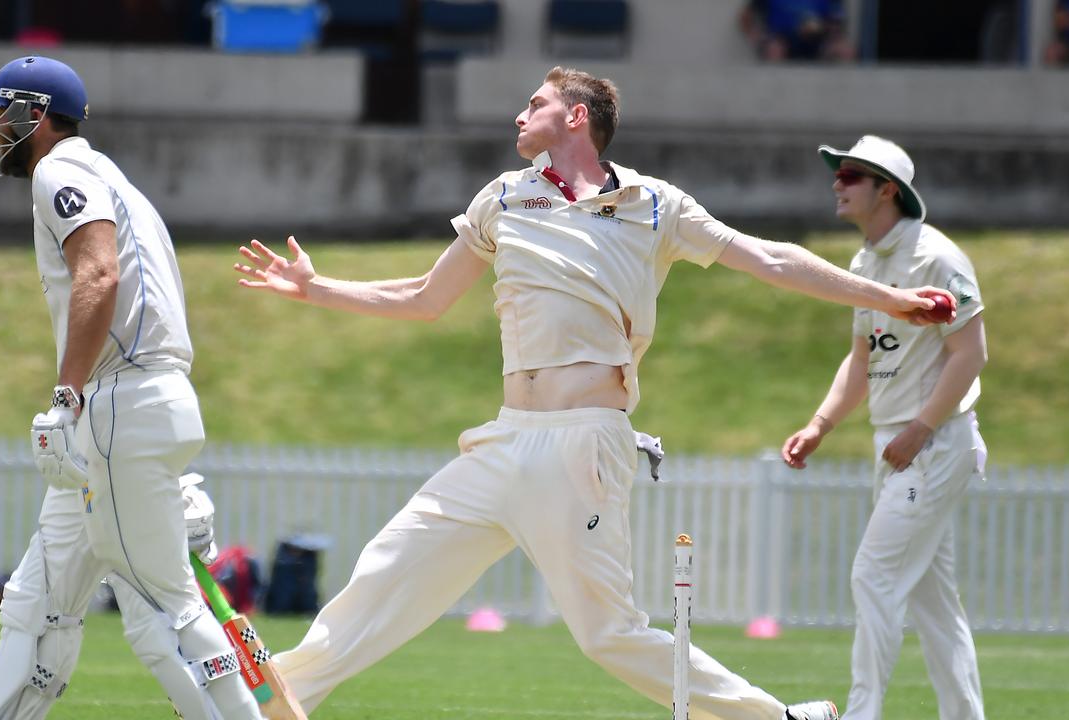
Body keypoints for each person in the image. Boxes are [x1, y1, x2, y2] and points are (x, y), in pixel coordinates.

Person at [232, 67, 952, 720]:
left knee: (610, 635)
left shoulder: (653, 204)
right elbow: (423, 296)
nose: (520, 114)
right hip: (505, 439)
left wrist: (888, 298)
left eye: (536, 103)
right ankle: (268, 704)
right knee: (390, 567)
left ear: (577, 117)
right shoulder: (505, 198)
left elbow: (770, 258)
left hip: (586, 443)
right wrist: (316, 288)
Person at [0, 56, 260, 720]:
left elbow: (100, 276)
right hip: (133, 415)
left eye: (1, 118)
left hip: (116, 411)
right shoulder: (116, 179)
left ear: (34, 116)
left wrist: (66, 399)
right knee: (34, 609)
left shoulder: (57, 171)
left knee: (163, 612)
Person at [780, 135, 987, 720]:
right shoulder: (866, 263)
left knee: (873, 575)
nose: (836, 185)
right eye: (838, 175)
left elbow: (971, 354)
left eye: (849, 176)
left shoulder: (938, 257)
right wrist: (821, 424)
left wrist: (921, 428)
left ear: (886, 189)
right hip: (897, 443)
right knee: (933, 604)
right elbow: (862, 358)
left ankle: (862, 713)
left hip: (933, 442)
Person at [739, 0, 855, 62]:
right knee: (774, 49)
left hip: (818, 41)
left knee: (846, 50)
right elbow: (746, 16)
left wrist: (821, 28)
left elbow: (837, 20)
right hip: (782, 41)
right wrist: (758, 38)